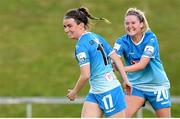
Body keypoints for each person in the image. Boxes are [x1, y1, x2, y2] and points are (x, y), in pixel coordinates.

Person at [63, 7, 131, 118]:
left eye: (69, 26)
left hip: (109, 91)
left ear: (81, 25)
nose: (66, 30)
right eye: (65, 26)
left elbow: (85, 75)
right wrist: (126, 80)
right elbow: (116, 58)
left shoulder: (81, 46)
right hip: (95, 91)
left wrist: (74, 92)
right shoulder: (96, 37)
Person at [113, 7, 171, 117]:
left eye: (133, 23)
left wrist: (120, 68)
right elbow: (114, 59)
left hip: (157, 86)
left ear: (141, 24)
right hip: (136, 86)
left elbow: (142, 65)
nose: (130, 26)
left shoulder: (150, 38)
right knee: (119, 116)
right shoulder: (121, 41)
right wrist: (112, 63)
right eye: (127, 23)